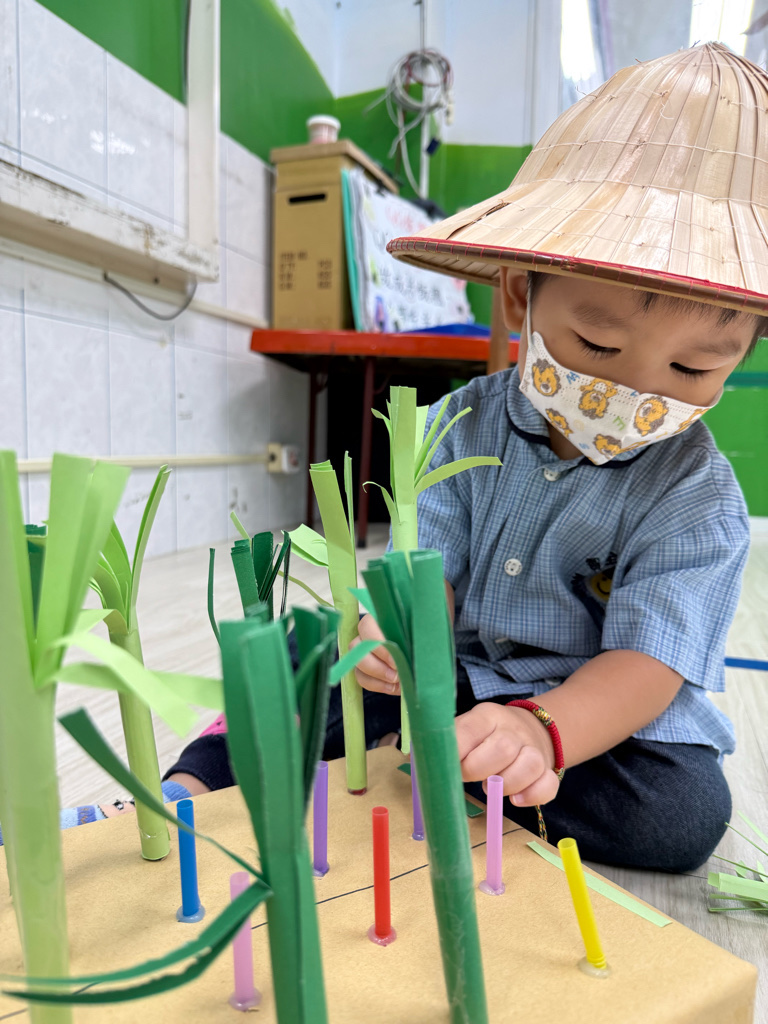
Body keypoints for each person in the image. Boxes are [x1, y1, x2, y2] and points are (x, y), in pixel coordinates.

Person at [46, 43, 767, 874]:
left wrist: (542, 731)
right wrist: (391, 631)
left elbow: (647, 666)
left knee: (683, 813)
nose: (635, 390)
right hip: (449, 676)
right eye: (597, 344)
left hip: (594, 718)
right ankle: (190, 786)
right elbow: (425, 570)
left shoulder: (697, 496)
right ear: (518, 294)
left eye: (693, 369)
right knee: (304, 651)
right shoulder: (456, 422)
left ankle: (456, 760)